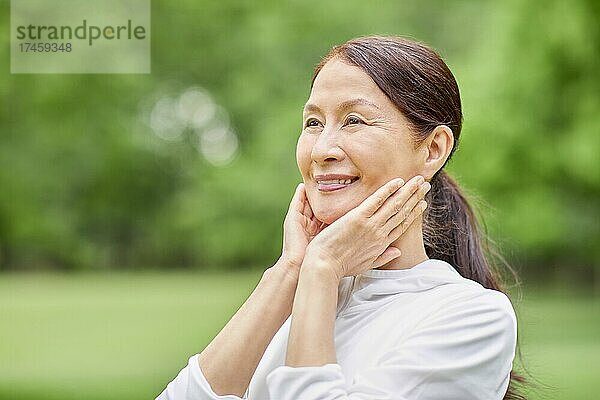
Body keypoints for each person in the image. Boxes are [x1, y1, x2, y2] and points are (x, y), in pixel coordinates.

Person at [156, 36, 523, 400]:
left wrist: (320, 271)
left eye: (354, 120)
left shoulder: (472, 318)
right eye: (313, 123)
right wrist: (290, 270)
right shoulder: (293, 296)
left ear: (432, 149)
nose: (322, 150)